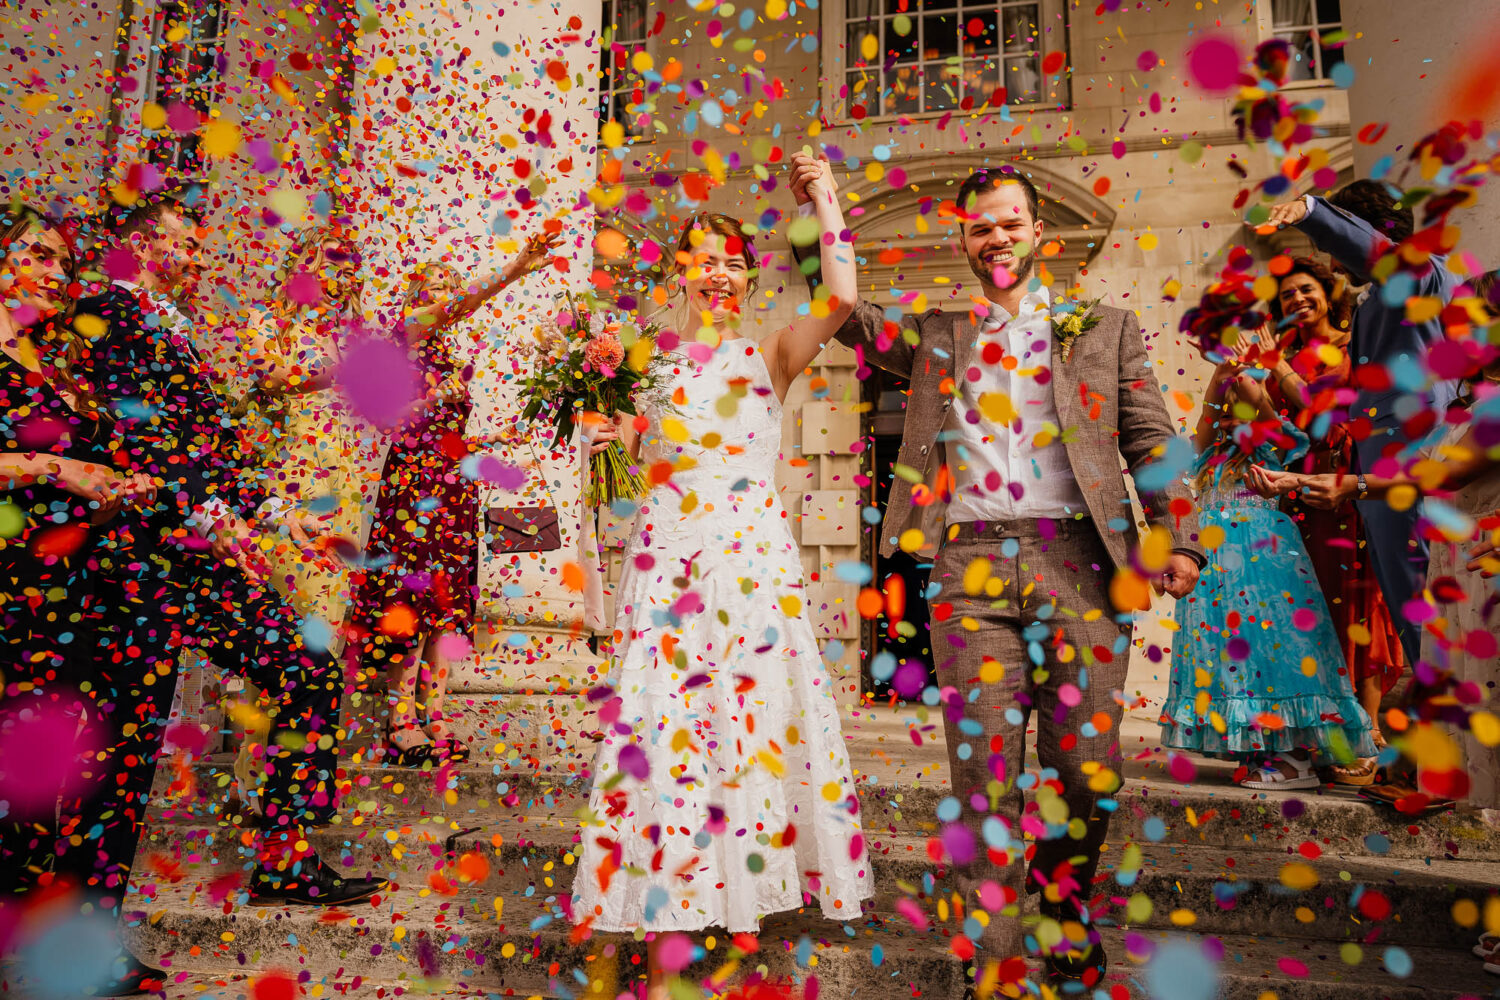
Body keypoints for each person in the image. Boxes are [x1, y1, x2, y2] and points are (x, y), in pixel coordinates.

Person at [790, 160, 1203, 993]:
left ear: (1037, 232)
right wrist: (818, 211)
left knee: (1084, 767)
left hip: (1081, 563)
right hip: (968, 565)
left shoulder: (1106, 328)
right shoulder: (938, 335)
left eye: (1010, 223)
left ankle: (1065, 920)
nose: (996, 237)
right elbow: (839, 309)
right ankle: (998, 946)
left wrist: (1180, 541)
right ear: (966, 240)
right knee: (982, 775)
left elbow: (1154, 439)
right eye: (981, 227)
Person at [568, 156, 872, 1000]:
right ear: (680, 271)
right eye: (705, 259)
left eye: (734, 262)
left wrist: (823, 199)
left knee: (745, 720)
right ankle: (659, 887)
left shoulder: (770, 351)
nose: (721, 273)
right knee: (665, 721)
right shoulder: (643, 362)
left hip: (747, 561)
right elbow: (637, 447)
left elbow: (841, 297)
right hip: (667, 559)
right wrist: (608, 435)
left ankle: (742, 900)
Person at [65, 189, 387, 943]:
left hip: (198, 558)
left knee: (308, 666)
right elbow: (135, 434)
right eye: (188, 241)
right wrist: (209, 515)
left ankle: (287, 859)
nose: (202, 255)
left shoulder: (174, 327)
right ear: (144, 244)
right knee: (125, 746)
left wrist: (272, 513)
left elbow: (209, 443)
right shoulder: (110, 316)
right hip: (143, 559)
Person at [0, 207, 162, 997]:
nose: (54, 272)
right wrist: (52, 473)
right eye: (35, 253)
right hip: (15, 585)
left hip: (85, 583)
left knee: (89, 765)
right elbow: (37, 469)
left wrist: (113, 488)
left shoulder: (59, 360)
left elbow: (82, 468)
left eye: (64, 263)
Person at [349, 232, 561, 766]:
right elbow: (390, 423)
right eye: (436, 288)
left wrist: (493, 441)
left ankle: (436, 714)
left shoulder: (447, 353)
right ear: (416, 296)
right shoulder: (401, 341)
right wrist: (515, 265)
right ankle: (399, 720)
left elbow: (446, 434)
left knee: (446, 604)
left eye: (449, 287)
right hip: (411, 491)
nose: (446, 296)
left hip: (453, 488)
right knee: (410, 599)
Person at [1160, 334, 1377, 790]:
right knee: (1230, 654)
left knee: (1268, 648)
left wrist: (1247, 374)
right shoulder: (1209, 453)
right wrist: (1221, 374)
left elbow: (1260, 406)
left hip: (1261, 555)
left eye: (1244, 390)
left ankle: (1293, 758)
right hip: (1215, 556)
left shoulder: (1272, 440)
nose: (1235, 396)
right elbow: (1206, 415)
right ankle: (1259, 750)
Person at [1261, 181, 1462, 667]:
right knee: (1414, 611)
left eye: (1333, 246)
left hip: (1416, 477)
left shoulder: (1420, 274)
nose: (1331, 263)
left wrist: (1311, 212)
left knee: (1431, 614)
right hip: (1375, 488)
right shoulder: (1377, 304)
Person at [1260, 256, 1405, 783]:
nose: (1296, 301)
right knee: (1308, 607)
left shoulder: (1354, 347)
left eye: (1304, 290)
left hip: (1344, 486)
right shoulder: (1287, 353)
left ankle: (1364, 731)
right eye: (1285, 297)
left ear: (1329, 291)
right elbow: (1273, 424)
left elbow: (1331, 421)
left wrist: (1277, 370)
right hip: (1290, 493)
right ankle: (1318, 728)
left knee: (1358, 604)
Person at [234, 222, 366, 633]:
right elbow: (267, 374)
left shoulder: (338, 339)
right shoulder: (266, 319)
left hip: (341, 486)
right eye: (331, 263)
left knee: (326, 617)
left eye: (347, 271)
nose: (339, 278)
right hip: (289, 485)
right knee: (285, 614)